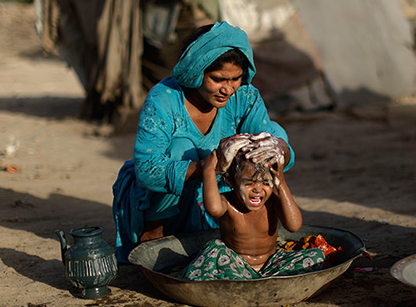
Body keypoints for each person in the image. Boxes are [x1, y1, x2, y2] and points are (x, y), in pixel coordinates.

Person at [112, 21, 294, 263]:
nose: (228, 89)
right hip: (161, 201)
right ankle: (155, 228)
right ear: (197, 72)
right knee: (182, 149)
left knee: (273, 135)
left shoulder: (245, 96)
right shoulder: (164, 99)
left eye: (236, 79)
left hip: (216, 198)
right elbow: (146, 170)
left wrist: (278, 149)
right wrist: (209, 167)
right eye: (218, 79)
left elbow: (275, 148)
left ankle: (245, 232)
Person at [183, 135, 325, 280]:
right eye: (249, 183)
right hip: (235, 267)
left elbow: (294, 225)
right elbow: (213, 209)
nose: (258, 189)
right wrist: (209, 170)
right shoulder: (227, 203)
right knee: (214, 249)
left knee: (316, 255)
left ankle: (261, 281)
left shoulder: (273, 202)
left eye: (266, 182)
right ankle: (245, 282)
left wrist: (281, 183)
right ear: (230, 181)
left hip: (271, 267)